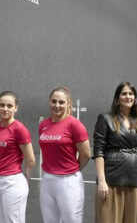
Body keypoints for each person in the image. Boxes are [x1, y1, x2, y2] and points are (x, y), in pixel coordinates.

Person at [94, 82, 137, 223]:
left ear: (135, 97)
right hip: (112, 179)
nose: (128, 97)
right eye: (124, 93)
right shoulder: (105, 118)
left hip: (136, 179)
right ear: (117, 98)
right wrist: (102, 181)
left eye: (131, 94)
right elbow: (99, 150)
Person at [39, 86, 91, 223]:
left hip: (68, 181)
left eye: (61, 102)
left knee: (72, 220)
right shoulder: (43, 125)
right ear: (49, 102)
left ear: (68, 103)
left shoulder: (75, 125)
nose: (57, 105)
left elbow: (86, 153)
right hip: (47, 180)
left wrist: (74, 169)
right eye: (53, 101)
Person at [0, 91, 36, 223]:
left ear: (16, 108)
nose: (5, 109)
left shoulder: (19, 129)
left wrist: (25, 180)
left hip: (13, 183)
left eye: (9, 106)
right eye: (2, 105)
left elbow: (31, 159)